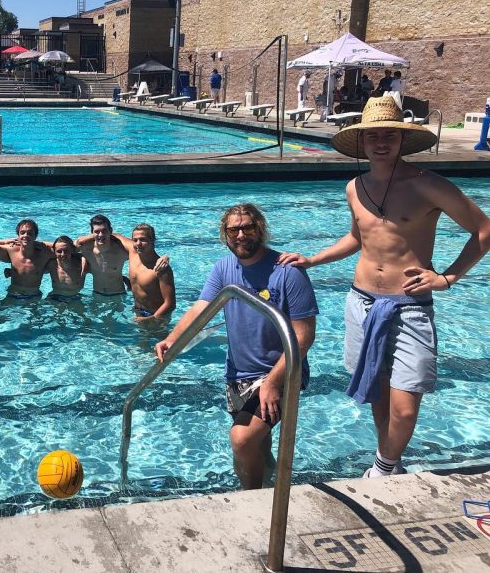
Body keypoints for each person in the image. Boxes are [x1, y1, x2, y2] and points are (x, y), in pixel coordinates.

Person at [278, 96, 489, 479]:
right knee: (377, 390)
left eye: (388, 135)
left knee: (406, 405)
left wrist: (447, 277)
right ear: (361, 142)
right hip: (361, 302)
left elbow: (484, 230)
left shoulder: (429, 185)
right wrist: (313, 259)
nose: (380, 142)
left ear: (400, 140)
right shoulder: (354, 187)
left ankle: (382, 466)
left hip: (410, 307)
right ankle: (388, 462)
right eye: (372, 135)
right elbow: (357, 238)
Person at [156, 204, 318, 490]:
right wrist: (173, 338)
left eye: (248, 227)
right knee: (257, 445)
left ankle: (252, 499)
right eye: (233, 229)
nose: (241, 235)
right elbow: (201, 309)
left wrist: (271, 383)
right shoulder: (223, 268)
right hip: (238, 373)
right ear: (225, 234)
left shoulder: (288, 271)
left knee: (241, 439)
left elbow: (303, 337)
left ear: (261, 229)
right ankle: (271, 489)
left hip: (281, 371)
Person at [113, 224, 176, 324]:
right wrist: (82, 240)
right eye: (135, 240)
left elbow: (170, 304)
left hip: (156, 316)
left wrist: (151, 318)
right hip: (137, 312)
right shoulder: (133, 252)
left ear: (152, 240)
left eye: (143, 239)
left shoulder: (161, 268)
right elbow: (113, 235)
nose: (138, 244)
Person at [75, 215, 130, 296]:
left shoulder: (121, 251)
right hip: (97, 294)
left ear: (110, 231)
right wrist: (82, 258)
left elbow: (142, 256)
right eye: (97, 232)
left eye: (104, 231)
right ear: (92, 233)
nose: (100, 235)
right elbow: (65, 249)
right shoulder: (86, 250)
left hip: (118, 295)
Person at [3, 219, 54, 300]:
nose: (26, 235)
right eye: (22, 233)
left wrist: (42, 243)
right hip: (13, 294)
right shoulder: (11, 250)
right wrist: (4, 241)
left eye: (30, 233)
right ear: (18, 236)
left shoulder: (44, 254)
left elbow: (67, 247)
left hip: (34, 296)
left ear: (35, 236)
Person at [45, 236, 87, 302]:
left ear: (72, 250)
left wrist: (84, 258)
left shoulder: (81, 264)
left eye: (66, 251)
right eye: (59, 251)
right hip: (55, 297)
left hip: (75, 297)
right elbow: (39, 244)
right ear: (54, 252)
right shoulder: (51, 264)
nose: (63, 254)